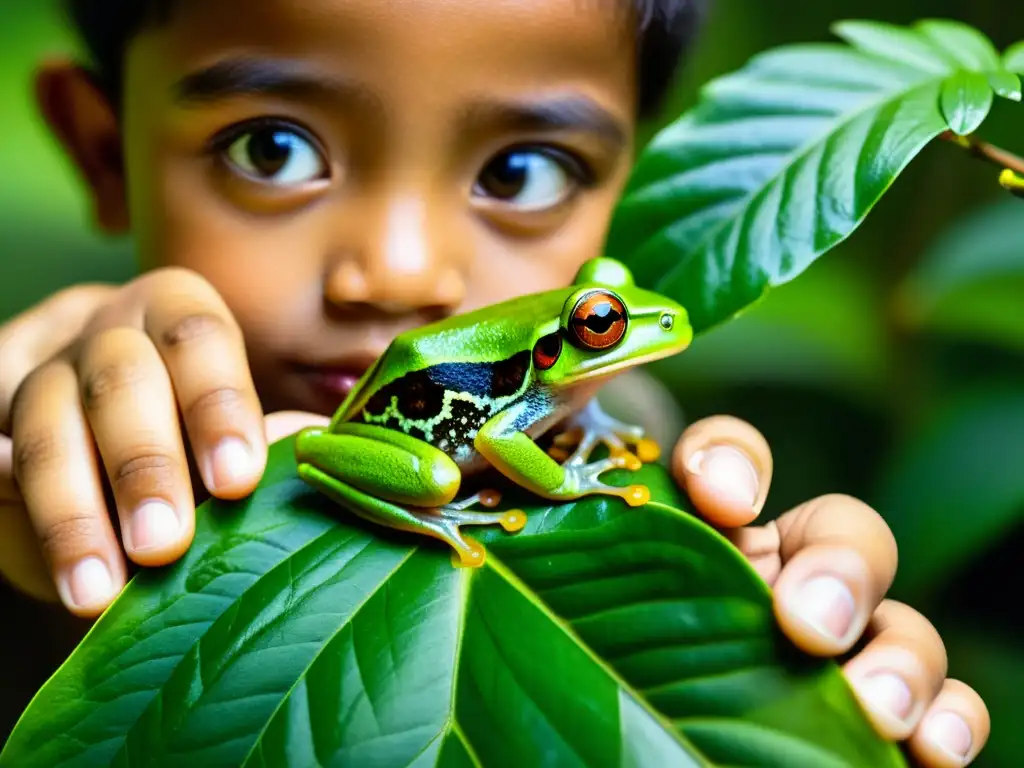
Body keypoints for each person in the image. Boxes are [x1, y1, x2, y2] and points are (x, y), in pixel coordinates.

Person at [0, 0, 988, 763]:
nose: (401, 273)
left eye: (523, 171)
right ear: (99, 148)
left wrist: (743, 686)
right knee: (436, 480)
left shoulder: (646, 441)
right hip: (404, 449)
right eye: (275, 149)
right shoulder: (57, 442)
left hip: (465, 440)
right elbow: (509, 450)